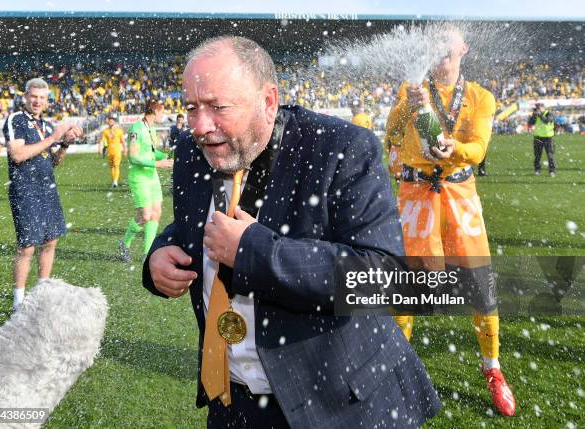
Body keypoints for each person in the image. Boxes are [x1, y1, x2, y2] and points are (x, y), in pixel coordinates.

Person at [142, 36, 440, 428]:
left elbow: (385, 277)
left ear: (268, 101)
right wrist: (160, 256)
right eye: (192, 108)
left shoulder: (342, 148)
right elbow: (195, 223)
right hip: (233, 405)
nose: (200, 126)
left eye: (218, 107)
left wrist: (253, 252)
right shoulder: (191, 150)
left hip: (340, 405)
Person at [385, 28, 516, 416]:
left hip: (459, 194)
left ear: (463, 49)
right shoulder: (411, 89)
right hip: (416, 195)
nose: (442, 53)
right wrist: (408, 107)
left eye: (449, 46)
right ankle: (395, 368)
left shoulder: (480, 97)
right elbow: (390, 135)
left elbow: (478, 148)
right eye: (435, 46)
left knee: (479, 282)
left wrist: (454, 147)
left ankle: (492, 367)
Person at [2, 78, 83, 311]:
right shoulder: (16, 120)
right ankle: (18, 302)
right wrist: (53, 138)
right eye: (33, 97)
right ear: (25, 97)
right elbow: (17, 154)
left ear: (47, 101)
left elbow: (54, 161)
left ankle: (41, 295)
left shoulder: (47, 126)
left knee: (50, 241)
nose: (37, 101)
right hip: (25, 190)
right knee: (27, 247)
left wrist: (64, 144)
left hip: (48, 189)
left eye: (42, 98)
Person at [118, 99, 173, 263]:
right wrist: (157, 163)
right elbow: (133, 157)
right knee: (145, 215)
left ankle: (147, 253)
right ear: (154, 111)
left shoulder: (152, 129)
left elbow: (151, 152)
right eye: (162, 111)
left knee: (156, 214)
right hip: (140, 178)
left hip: (152, 177)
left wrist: (166, 157)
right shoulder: (136, 128)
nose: (163, 115)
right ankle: (124, 243)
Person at [528, 102, 556, 177]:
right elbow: (530, 123)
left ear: (543, 108)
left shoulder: (549, 114)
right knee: (537, 155)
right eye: (537, 108)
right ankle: (537, 170)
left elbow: (546, 121)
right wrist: (533, 116)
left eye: (539, 107)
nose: (538, 109)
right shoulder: (536, 115)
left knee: (550, 155)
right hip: (537, 137)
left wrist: (540, 115)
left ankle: (552, 171)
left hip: (548, 138)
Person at [99, 113, 127, 188]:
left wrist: (125, 150)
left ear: (115, 121)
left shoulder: (119, 131)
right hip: (109, 151)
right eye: (109, 120)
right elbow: (102, 140)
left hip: (117, 151)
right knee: (111, 167)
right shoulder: (105, 131)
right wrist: (100, 148)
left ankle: (115, 181)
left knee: (116, 165)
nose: (110, 121)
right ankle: (114, 181)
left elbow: (123, 141)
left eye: (112, 120)